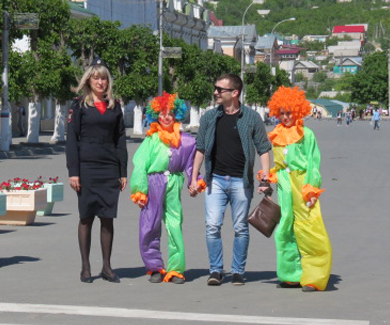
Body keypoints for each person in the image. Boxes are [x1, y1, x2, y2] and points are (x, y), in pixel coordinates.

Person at [189, 73, 272, 286]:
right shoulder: (209, 117)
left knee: (240, 227)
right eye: (215, 88)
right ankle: (216, 270)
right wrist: (194, 177)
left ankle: (237, 271)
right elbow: (200, 148)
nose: (215, 92)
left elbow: (263, 149)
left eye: (220, 89)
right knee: (212, 226)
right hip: (215, 180)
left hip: (240, 182)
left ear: (235, 93)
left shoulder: (252, 117)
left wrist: (265, 178)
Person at [130, 93, 205, 284]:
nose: (166, 117)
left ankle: (175, 268)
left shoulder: (186, 141)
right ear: (156, 115)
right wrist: (139, 189)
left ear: (177, 115)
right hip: (152, 182)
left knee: (174, 223)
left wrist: (195, 181)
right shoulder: (150, 139)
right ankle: (154, 266)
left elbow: (190, 165)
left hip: (173, 182)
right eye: (162, 113)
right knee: (149, 225)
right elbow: (140, 165)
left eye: (170, 113)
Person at [65, 58, 127, 284]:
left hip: (109, 167)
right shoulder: (79, 104)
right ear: (88, 80)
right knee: (86, 217)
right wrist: (74, 171)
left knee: (107, 217)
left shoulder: (114, 105)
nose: (100, 82)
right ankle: (85, 267)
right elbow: (72, 138)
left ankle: (107, 267)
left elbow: (120, 138)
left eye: (104, 78)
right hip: (87, 166)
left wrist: (122, 170)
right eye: (96, 78)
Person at [266, 86, 332, 292]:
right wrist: (270, 175)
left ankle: (314, 277)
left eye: (289, 112)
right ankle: (291, 275)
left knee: (309, 228)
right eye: (282, 113)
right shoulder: (277, 134)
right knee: (285, 227)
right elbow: (279, 165)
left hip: (302, 183)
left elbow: (313, 163)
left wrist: (311, 189)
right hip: (285, 185)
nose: (286, 117)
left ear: (297, 111)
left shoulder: (307, 134)